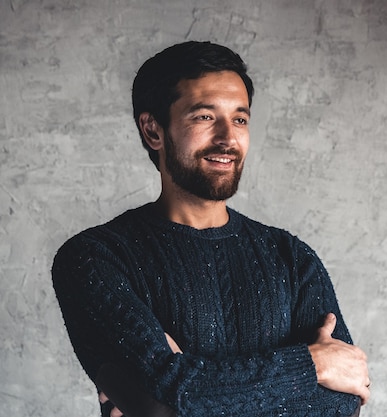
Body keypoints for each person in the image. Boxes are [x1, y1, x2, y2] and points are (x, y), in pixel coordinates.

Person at [52, 41, 370, 417]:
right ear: (153, 130)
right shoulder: (95, 258)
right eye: (204, 117)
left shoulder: (291, 258)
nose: (228, 138)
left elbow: (344, 398)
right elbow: (171, 393)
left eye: (239, 119)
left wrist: (197, 388)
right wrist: (311, 366)